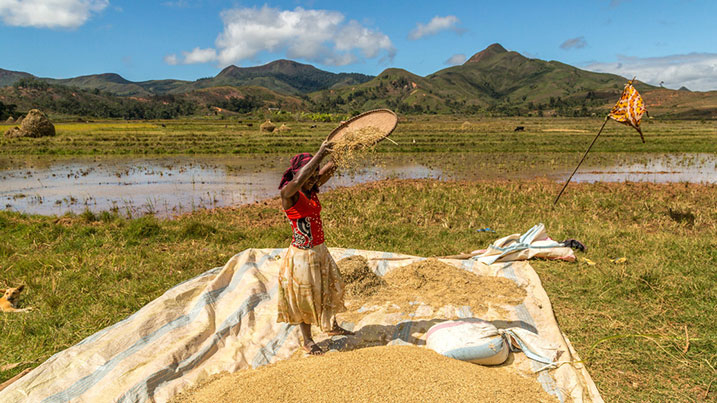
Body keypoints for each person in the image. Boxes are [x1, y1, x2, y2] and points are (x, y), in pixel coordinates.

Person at [277, 140, 353, 355]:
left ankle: (331, 326)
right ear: (298, 175)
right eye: (309, 177)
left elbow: (332, 166)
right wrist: (321, 152)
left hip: (319, 249)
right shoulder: (289, 193)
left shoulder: (310, 188)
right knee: (305, 297)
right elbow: (303, 177)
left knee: (331, 286)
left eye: (314, 177)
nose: (313, 180)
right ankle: (308, 340)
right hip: (302, 256)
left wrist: (347, 145)